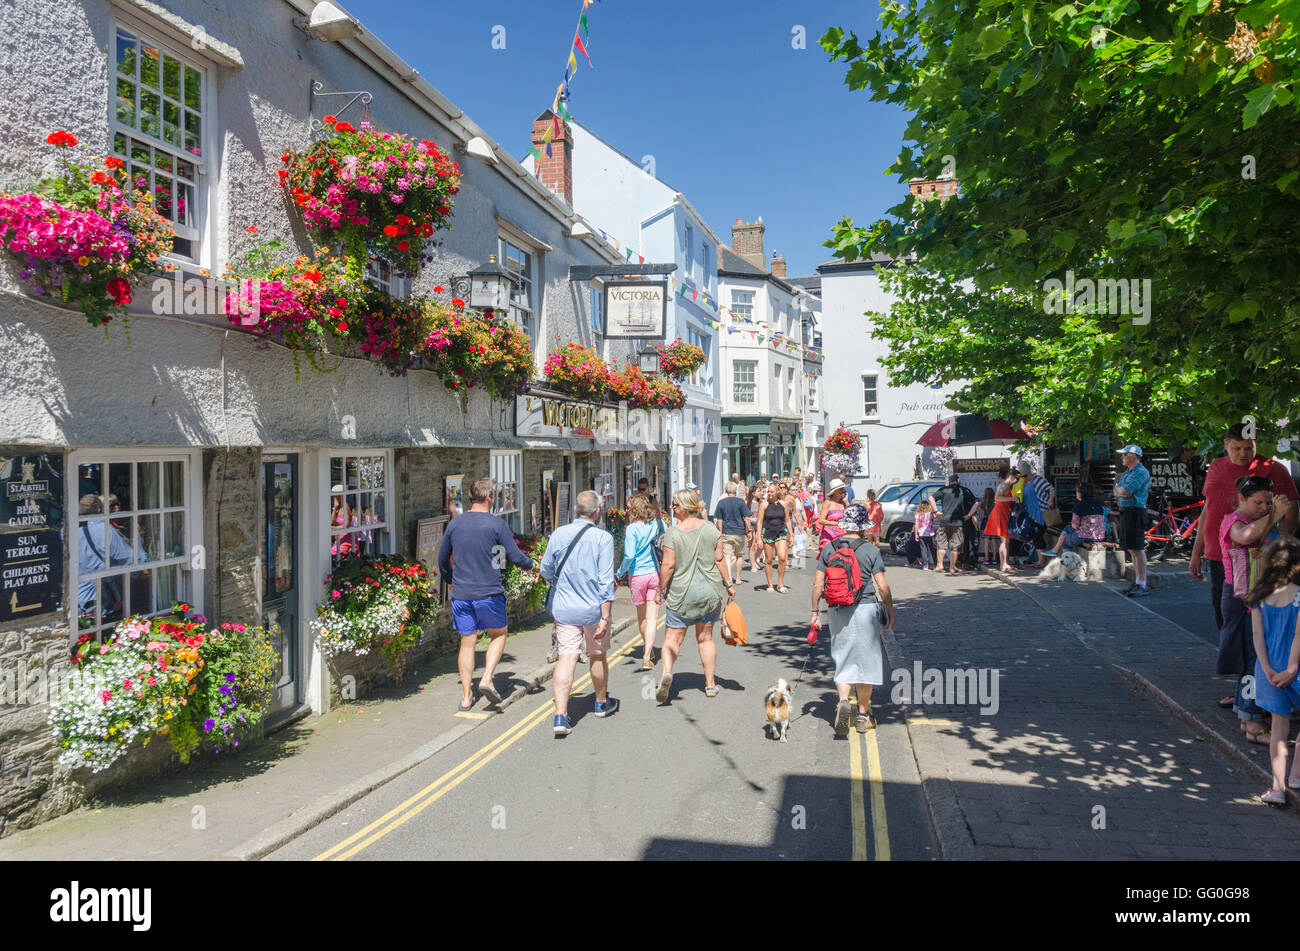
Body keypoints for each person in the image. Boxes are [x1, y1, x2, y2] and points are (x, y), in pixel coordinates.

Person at [437, 476, 537, 711]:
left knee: (467, 643)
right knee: (499, 634)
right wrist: (532, 565)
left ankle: (465, 697)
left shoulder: (455, 524)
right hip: (489, 592)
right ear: (489, 497)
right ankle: (487, 678)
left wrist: (452, 581)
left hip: (462, 594)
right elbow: (513, 556)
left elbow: (442, 559)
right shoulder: (496, 525)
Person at [1191, 421, 1299, 627]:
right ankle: (1229, 656)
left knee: (1258, 617)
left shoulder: (1274, 469)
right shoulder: (1215, 467)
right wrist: (1196, 552)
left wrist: (1282, 542)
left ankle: (1256, 658)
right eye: (1237, 448)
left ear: (1256, 444)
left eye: (1249, 448)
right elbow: (1208, 510)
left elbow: (1291, 510)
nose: (1243, 453)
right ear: (1226, 444)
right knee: (1225, 616)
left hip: (1257, 555)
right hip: (1218, 554)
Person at [1219, 476, 1292, 744]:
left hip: (1263, 597)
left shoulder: (1267, 518)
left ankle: (1247, 717)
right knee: (1252, 658)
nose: (1263, 507)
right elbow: (1245, 536)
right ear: (1241, 499)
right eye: (1257, 502)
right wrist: (1274, 514)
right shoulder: (1233, 521)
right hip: (1244, 599)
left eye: (1267, 502)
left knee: (1256, 657)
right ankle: (1252, 723)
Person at [810, 503, 894, 735]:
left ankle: (844, 701)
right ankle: (863, 716)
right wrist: (890, 612)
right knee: (866, 663)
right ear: (863, 527)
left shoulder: (829, 549)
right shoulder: (870, 550)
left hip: (837, 609)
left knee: (844, 658)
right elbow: (883, 587)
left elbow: (818, 585)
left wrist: (815, 613)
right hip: (866, 609)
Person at [540, 490, 617, 736]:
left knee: (567, 658)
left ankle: (560, 716)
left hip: (565, 609)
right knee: (597, 655)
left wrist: (563, 581)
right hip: (594, 609)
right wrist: (605, 616)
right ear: (597, 512)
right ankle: (600, 703)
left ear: (575, 510)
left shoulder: (558, 534)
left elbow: (545, 570)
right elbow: (606, 581)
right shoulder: (603, 538)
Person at [654, 488, 735, 703]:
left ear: (685, 507)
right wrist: (729, 584)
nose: (672, 508)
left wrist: (659, 590)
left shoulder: (673, 533)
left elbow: (668, 565)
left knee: (672, 639)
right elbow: (719, 560)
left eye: (675, 505)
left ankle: (667, 673)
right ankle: (710, 684)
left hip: (682, 594)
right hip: (709, 592)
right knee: (705, 639)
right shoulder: (710, 529)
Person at [1244, 539, 1300, 803]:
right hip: (1295, 668)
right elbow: (1299, 635)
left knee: (1279, 726)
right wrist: (1291, 668)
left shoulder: (1259, 597)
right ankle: (1297, 775)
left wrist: (1266, 667)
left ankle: (1278, 787)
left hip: (1267, 669)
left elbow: (1257, 636)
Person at [619, 493, 664, 672]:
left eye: (629, 508)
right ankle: (647, 655)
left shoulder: (632, 529)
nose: (627, 511)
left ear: (635, 509)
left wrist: (620, 572)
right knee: (653, 617)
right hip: (655, 574)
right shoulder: (658, 524)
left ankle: (648, 651)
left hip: (637, 576)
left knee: (643, 618)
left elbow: (629, 555)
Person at [1113, 444, 1152, 597]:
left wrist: (1119, 490)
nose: (1122, 457)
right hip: (1126, 512)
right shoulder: (1128, 472)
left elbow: (1125, 491)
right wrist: (1119, 490)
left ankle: (1142, 584)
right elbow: (1117, 489)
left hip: (1135, 512)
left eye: (1124, 455)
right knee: (1131, 548)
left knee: (1137, 548)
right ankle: (1137, 581)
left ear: (1133, 456)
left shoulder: (1141, 472)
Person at [1047, 483, 1107, 554]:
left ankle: (1066, 560)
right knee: (1068, 529)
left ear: (1080, 493)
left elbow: (1074, 526)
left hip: (1086, 536)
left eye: (1077, 491)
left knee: (1065, 542)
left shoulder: (1079, 506)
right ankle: (1055, 550)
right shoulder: (1098, 505)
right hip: (1100, 536)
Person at [931, 474, 972, 574]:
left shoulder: (943, 490)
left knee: (941, 544)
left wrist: (936, 511)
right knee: (955, 545)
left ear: (950, 481)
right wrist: (969, 515)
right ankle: (952, 567)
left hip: (944, 521)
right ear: (958, 480)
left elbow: (931, 498)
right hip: (958, 522)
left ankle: (939, 565)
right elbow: (976, 502)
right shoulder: (964, 490)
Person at [758, 483, 795, 592]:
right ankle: (770, 585)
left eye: (771, 491)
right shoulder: (764, 505)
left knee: (782, 558)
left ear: (777, 492)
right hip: (768, 532)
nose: (769, 493)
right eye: (768, 491)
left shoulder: (783, 504)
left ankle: (780, 584)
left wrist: (791, 535)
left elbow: (788, 520)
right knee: (768, 560)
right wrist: (758, 538)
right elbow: (760, 522)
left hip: (781, 532)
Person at [712, 480, 750, 586]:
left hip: (727, 532)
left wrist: (720, 533)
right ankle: (738, 578)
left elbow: (719, 520)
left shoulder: (721, 503)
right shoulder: (741, 502)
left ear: (725, 491)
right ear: (736, 490)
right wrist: (749, 529)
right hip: (739, 531)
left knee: (727, 556)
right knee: (739, 555)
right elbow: (746, 517)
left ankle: (728, 578)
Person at [1019, 461, 1056, 568]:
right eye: (1022, 475)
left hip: (1040, 513)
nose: (1023, 477)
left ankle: (1041, 561)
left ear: (1028, 472)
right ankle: (1038, 560)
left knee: (1037, 536)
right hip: (1030, 515)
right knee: (1035, 537)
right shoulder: (1023, 483)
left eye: (1024, 475)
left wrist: (1050, 500)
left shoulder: (1038, 480)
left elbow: (1051, 489)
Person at [985, 467, 1017, 572]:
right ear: (1011, 477)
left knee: (1006, 540)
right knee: (1004, 540)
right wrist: (1011, 498)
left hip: (1003, 513)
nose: (1017, 481)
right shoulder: (1004, 486)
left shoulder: (1006, 486)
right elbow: (997, 498)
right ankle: (1003, 564)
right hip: (1000, 513)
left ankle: (1005, 563)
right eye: (1017, 478)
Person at [816, 478, 849, 556]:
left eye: (843, 489)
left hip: (842, 535)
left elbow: (851, 516)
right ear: (834, 491)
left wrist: (846, 501)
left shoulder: (843, 503)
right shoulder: (828, 503)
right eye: (840, 489)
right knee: (828, 560)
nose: (843, 491)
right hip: (828, 536)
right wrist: (837, 523)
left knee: (841, 561)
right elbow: (821, 520)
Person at [913, 498, 937, 570]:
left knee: (923, 549)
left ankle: (925, 565)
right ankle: (935, 564)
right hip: (930, 534)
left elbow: (916, 525)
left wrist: (916, 534)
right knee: (933, 549)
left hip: (921, 534)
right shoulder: (930, 514)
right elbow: (936, 516)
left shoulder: (918, 514)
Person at [979, 487, 996, 564]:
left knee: (986, 541)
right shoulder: (995, 503)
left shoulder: (983, 503)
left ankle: (986, 558)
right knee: (994, 541)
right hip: (994, 521)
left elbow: (980, 515)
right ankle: (994, 558)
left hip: (986, 521)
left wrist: (983, 520)